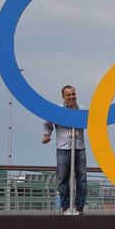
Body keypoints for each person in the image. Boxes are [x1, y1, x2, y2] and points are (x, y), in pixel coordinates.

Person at [42, 85, 87, 215]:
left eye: (73, 94)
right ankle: (66, 208)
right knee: (62, 178)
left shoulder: (82, 109)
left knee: (82, 178)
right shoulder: (57, 110)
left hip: (79, 147)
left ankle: (79, 208)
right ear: (63, 97)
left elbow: (93, 122)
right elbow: (47, 123)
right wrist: (46, 135)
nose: (71, 97)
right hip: (63, 148)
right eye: (68, 95)